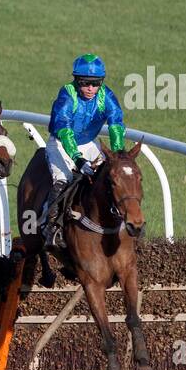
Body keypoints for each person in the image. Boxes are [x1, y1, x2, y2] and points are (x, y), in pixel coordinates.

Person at [42, 53, 126, 250]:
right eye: (85, 83)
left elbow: (116, 124)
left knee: (115, 176)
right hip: (61, 144)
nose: (90, 88)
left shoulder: (106, 95)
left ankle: (124, 218)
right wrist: (77, 159)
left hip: (90, 143)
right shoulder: (67, 93)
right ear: (76, 81)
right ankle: (52, 228)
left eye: (95, 83)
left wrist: (118, 153)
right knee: (63, 179)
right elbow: (64, 128)